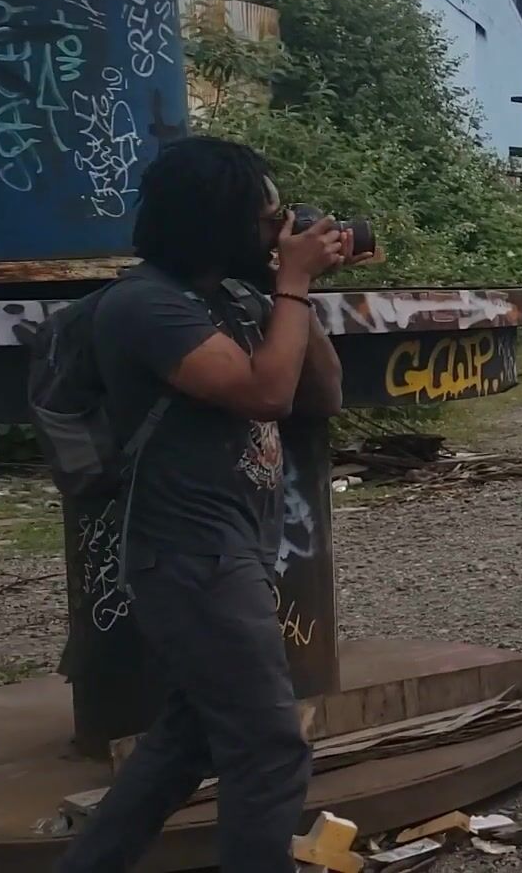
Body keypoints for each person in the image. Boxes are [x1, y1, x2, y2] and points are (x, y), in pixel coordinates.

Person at [57, 137, 367, 873]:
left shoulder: (232, 298)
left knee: (183, 743)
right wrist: (292, 281)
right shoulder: (145, 306)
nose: (281, 229)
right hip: (189, 555)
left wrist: (291, 290)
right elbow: (264, 393)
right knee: (268, 748)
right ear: (217, 225)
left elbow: (321, 394)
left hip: (230, 549)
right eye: (268, 219)